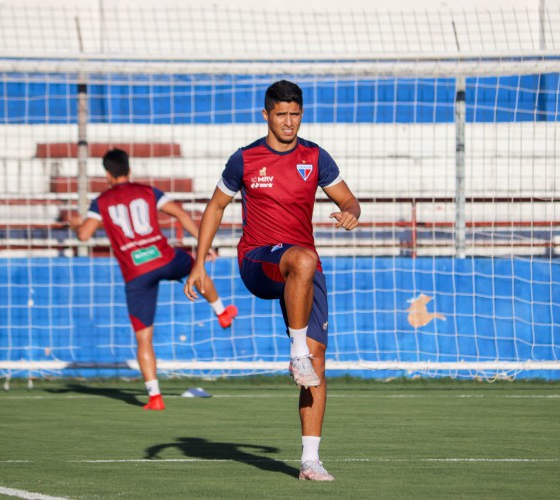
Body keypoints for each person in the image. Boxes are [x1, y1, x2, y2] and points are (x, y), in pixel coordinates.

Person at [184, 80, 360, 481]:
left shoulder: (315, 157)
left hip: (303, 268)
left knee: (316, 362)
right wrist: (199, 263)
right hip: (258, 261)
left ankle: (310, 461)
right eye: (280, 114)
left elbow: (348, 199)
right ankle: (296, 351)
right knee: (302, 258)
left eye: (295, 114)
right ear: (266, 115)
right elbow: (215, 207)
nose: (288, 121)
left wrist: (353, 211)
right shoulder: (245, 159)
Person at [70, 148, 237, 411]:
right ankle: (221, 311)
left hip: (136, 274)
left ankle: (155, 397)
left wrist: (76, 224)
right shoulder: (148, 191)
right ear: (129, 170)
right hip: (164, 258)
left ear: (107, 175)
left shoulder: (100, 201)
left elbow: (83, 236)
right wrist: (204, 247)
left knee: (144, 339)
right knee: (196, 266)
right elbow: (181, 214)